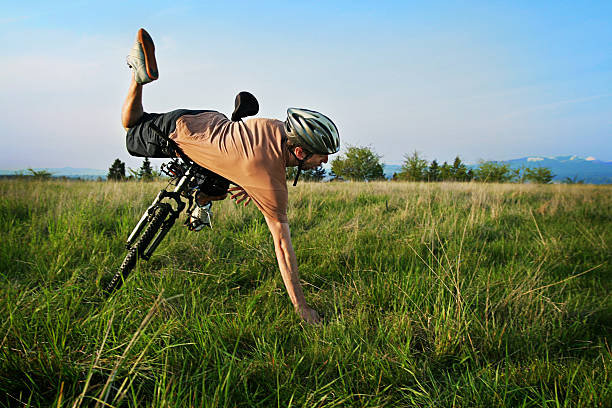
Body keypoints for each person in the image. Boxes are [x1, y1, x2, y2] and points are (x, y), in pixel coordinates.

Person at [121, 29, 340, 324]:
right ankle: (139, 77)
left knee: (221, 186)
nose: (324, 162)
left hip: (211, 121)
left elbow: (252, 156)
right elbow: (282, 247)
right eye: (320, 155)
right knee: (130, 126)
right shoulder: (269, 181)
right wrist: (302, 308)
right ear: (299, 152)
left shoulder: (276, 128)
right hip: (178, 131)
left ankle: (203, 201)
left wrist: (249, 184)